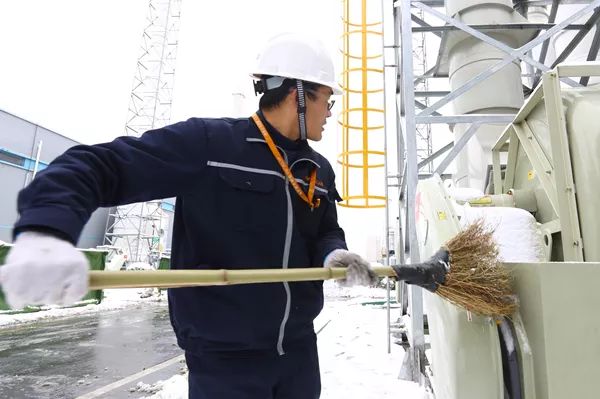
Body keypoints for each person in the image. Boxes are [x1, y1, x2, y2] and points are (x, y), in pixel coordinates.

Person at [0, 33, 440, 398]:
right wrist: (47, 230)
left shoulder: (317, 169)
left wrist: (334, 253)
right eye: (328, 99)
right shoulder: (210, 147)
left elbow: (324, 230)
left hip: (299, 355)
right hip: (226, 363)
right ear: (299, 94)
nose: (331, 112)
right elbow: (98, 166)